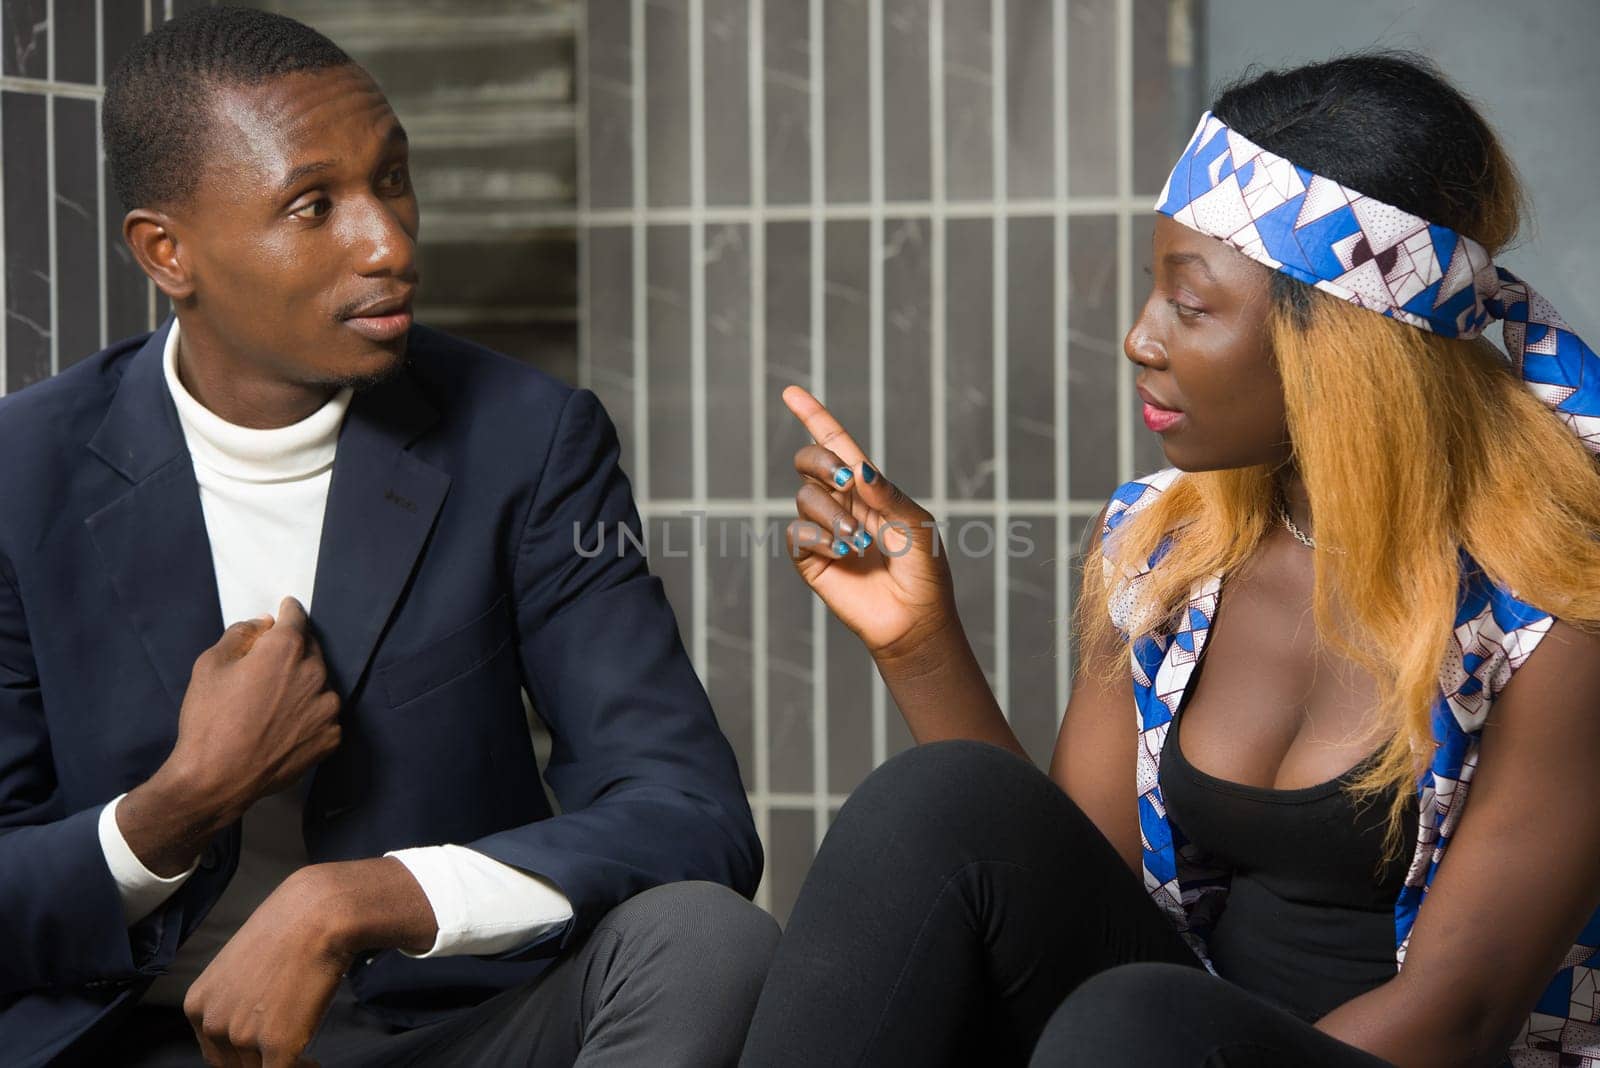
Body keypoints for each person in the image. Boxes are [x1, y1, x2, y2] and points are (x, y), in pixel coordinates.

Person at [742, 52, 1600, 1067]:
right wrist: (920, 644)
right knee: (933, 808)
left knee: (1136, 1025)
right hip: (1149, 1040)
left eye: (1189, 307)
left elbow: (1458, 1015)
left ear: (1340, 346)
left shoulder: (1553, 607)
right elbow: (1062, 884)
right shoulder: (1162, 541)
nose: (1138, 339)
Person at [0, 8, 776, 1067]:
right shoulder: (21, 474)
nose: (390, 243)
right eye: (313, 206)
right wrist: (178, 808)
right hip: (126, 1040)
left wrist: (359, 899)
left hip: (445, 1030)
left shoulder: (525, 441)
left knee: (704, 942)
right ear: (166, 251)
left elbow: (688, 814)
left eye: (393, 180)